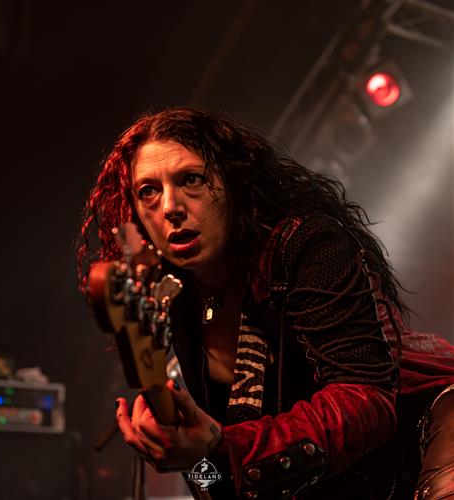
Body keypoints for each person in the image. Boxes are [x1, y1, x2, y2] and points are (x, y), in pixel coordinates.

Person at [77, 107, 454, 499]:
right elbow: (222, 482)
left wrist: (222, 446)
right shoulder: (175, 300)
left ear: (233, 184)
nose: (170, 206)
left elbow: (366, 401)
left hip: (430, 433)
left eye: (191, 179)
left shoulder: (305, 246)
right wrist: (189, 457)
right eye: (148, 191)